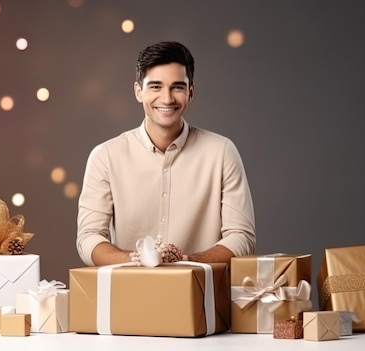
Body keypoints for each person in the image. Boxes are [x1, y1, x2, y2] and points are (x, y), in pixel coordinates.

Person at [76, 41, 255, 266]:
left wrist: (185, 262)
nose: (167, 98)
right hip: (130, 293)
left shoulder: (222, 152)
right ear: (138, 92)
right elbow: (89, 237)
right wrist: (139, 260)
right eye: (155, 87)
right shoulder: (105, 156)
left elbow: (242, 237)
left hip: (201, 296)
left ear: (191, 92)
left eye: (177, 87)